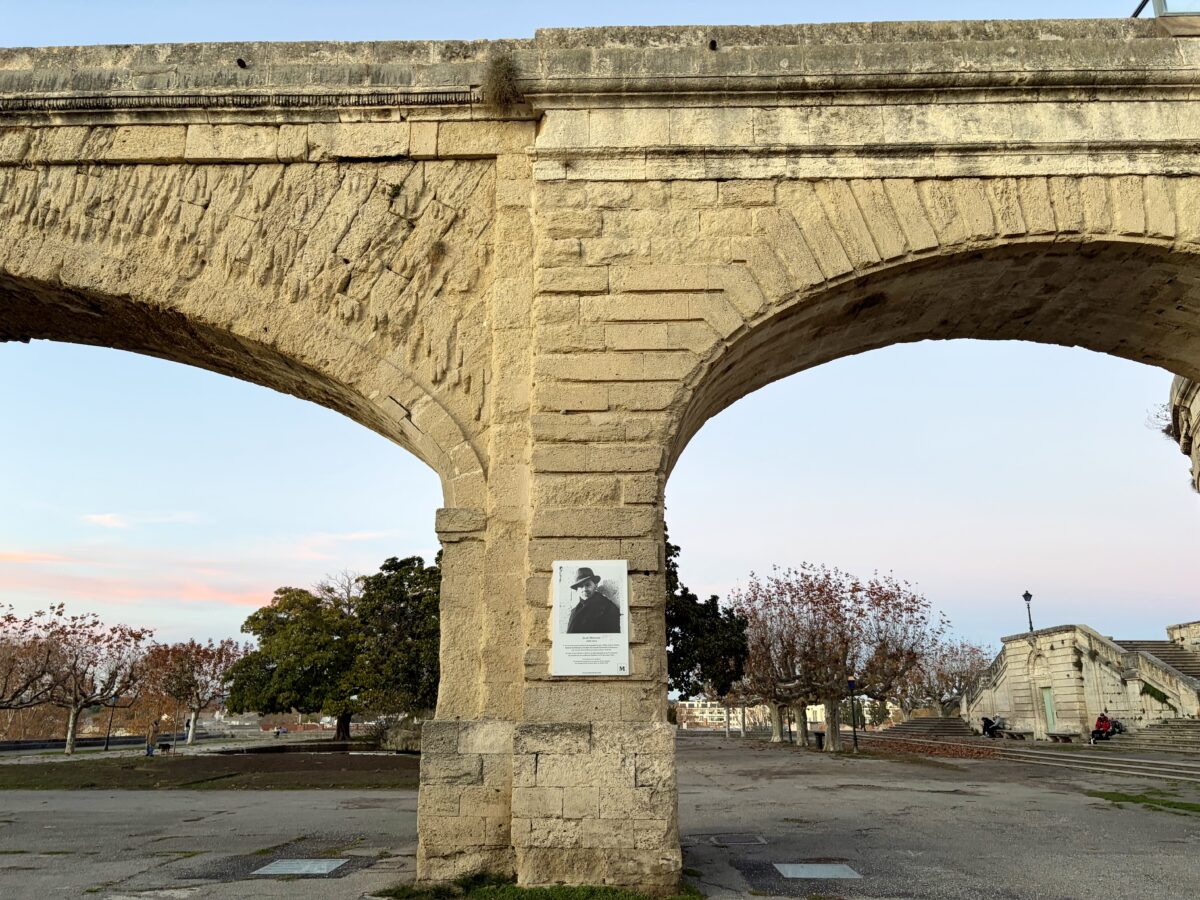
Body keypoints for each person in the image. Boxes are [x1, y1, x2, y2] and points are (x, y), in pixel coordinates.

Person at [565, 567, 620, 634]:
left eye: (588, 585)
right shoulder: (574, 611)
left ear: (595, 585)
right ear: (577, 589)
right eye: (581, 586)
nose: (584, 589)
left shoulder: (606, 607)